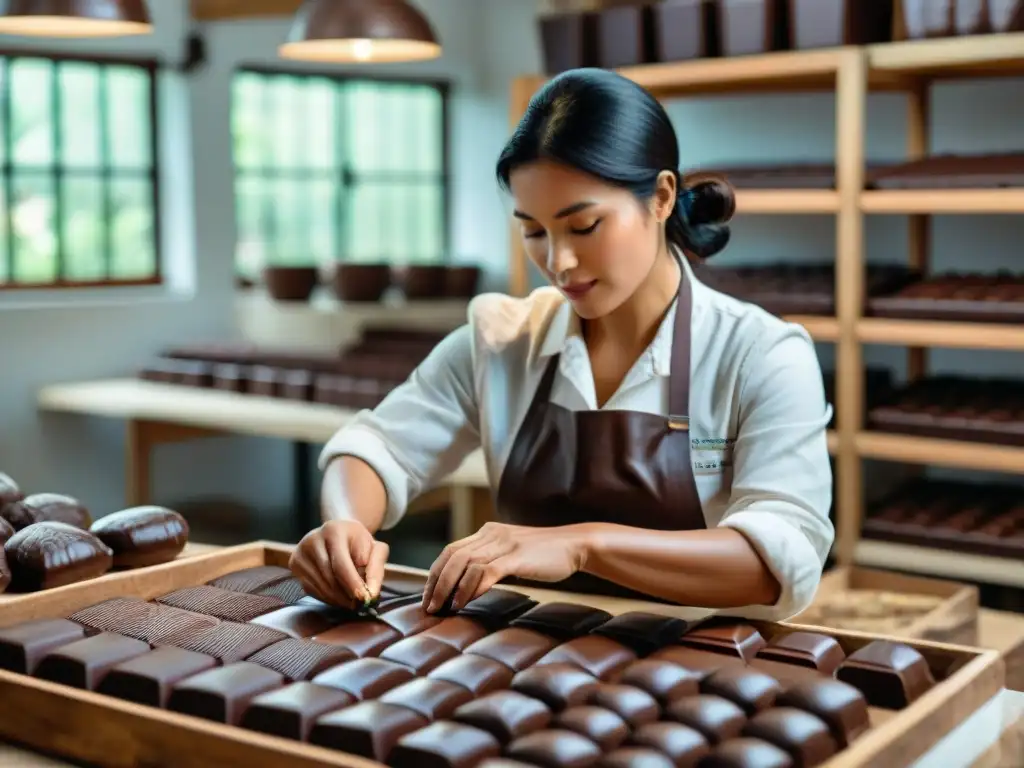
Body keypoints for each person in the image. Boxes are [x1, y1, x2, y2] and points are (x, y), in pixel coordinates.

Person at [289, 68, 834, 622]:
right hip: (530, 662)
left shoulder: (760, 355)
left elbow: (780, 557)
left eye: (585, 226)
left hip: (707, 674)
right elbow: (378, 449)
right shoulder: (504, 341)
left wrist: (582, 544)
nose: (558, 262)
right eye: (533, 231)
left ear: (662, 197)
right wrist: (345, 525)